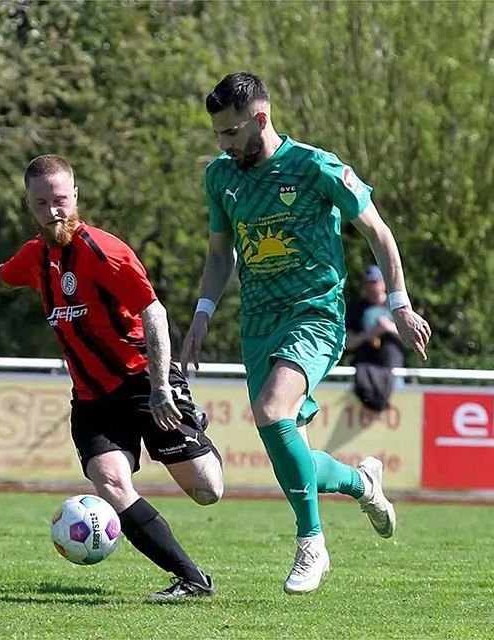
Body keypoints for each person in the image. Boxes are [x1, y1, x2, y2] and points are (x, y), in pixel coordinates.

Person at [0, 154, 223, 600]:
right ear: (29, 204)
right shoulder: (35, 257)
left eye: (60, 199)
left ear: (75, 196)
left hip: (144, 383)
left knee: (206, 491)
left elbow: (154, 312)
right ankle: (192, 579)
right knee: (111, 483)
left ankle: (193, 425)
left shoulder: (106, 252)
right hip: (92, 401)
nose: (53, 211)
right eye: (41, 202)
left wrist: (163, 386)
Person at [181, 72, 431, 595]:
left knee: (272, 412)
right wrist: (203, 311)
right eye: (217, 136)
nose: (223, 145)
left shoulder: (315, 167)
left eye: (230, 133)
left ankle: (311, 544)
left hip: (314, 315)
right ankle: (362, 483)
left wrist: (400, 304)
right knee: (288, 449)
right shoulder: (220, 177)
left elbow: (378, 233)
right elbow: (218, 253)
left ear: (261, 120)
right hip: (258, 324)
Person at [345, 264, 406, 411]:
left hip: (393, 370)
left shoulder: (398, 307)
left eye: (374, 282)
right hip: (364, 368)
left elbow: (411, 340)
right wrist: (369, 334)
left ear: (384, 283)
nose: (371, 287)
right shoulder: (356, 308)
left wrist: (388, 327)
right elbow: (347, 343)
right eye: (367, 283)